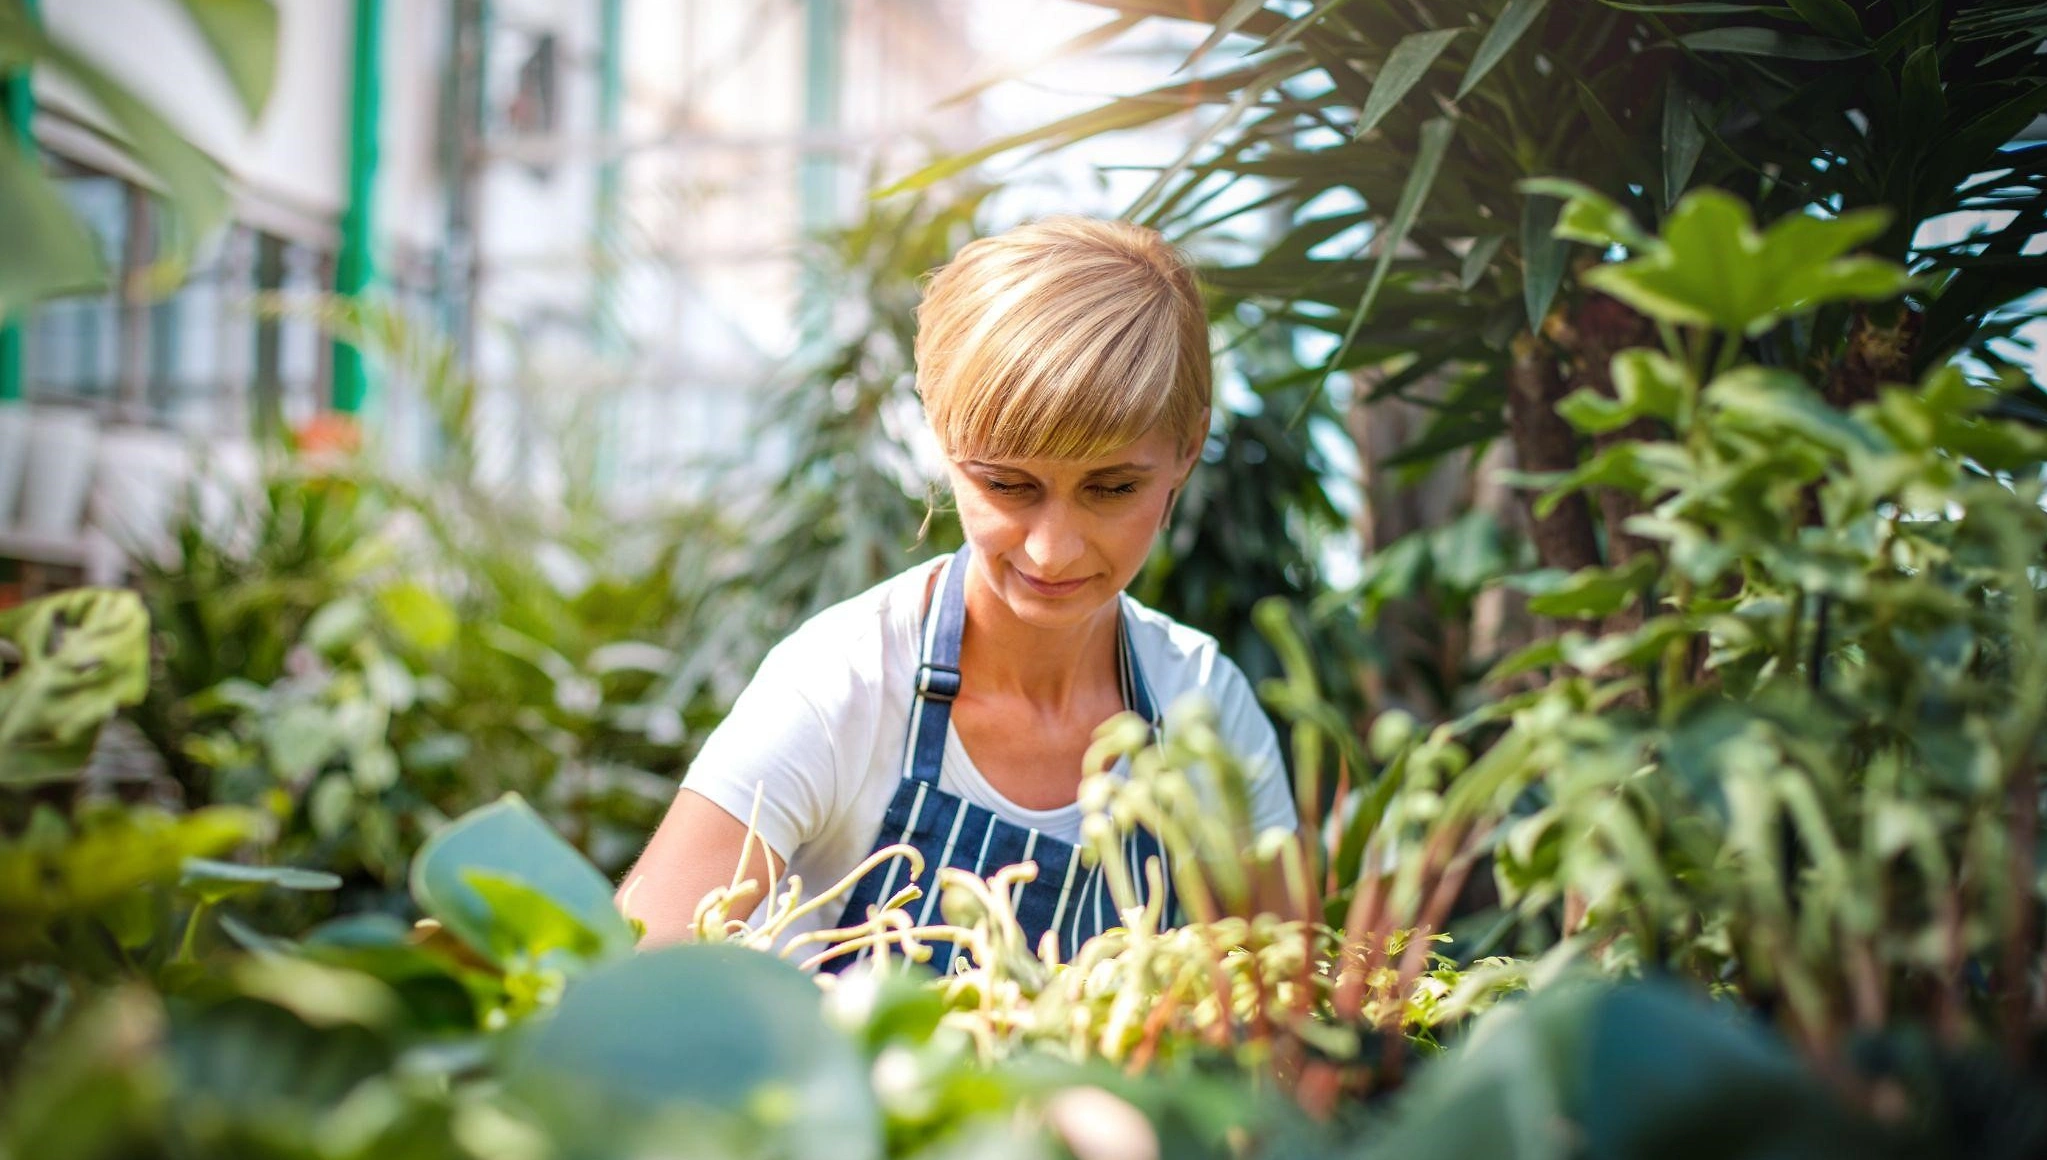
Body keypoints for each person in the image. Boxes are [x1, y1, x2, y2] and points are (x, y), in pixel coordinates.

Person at [616, 216, 1298, 968]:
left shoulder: (1205, 709)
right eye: (1008, 484)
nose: (1052, 549)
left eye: (1111, 488)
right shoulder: (842, 685)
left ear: (1187, 450)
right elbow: (640, 972)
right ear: (942, 437)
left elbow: (1288, 999)